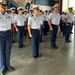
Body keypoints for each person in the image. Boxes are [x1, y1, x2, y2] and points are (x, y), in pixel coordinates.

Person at [0, 1, 14, 75]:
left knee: (8, 51)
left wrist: (12, 34)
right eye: (2, 5)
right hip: (0, 34)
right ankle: (2, 67)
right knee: (1, 52)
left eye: (5, 5)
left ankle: (8, 65)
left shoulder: (9, 15)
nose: (4, 7)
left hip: (8, 33)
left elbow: (11, 24)